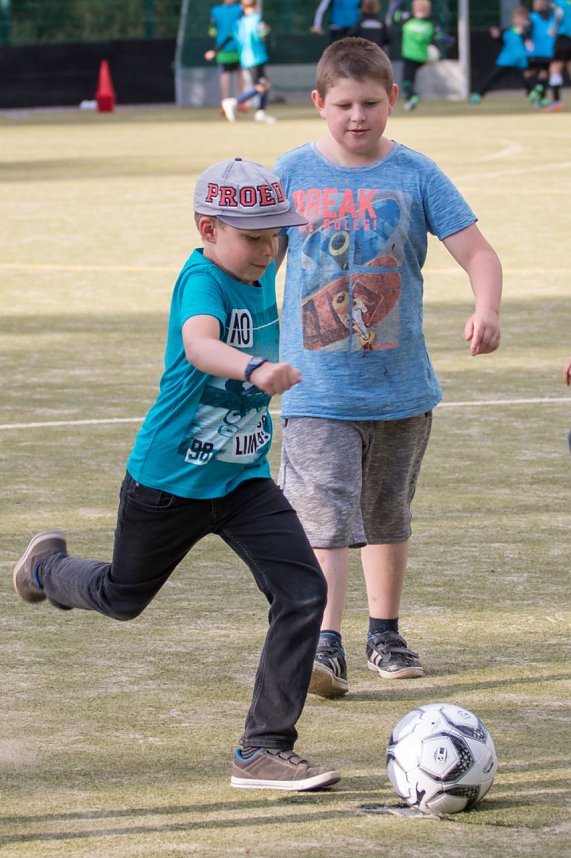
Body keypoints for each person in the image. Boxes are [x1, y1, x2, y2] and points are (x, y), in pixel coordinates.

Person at [12, 157, 341, 792]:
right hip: (169, 484)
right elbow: (199, 344)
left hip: (244, 481)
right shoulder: (202, 280)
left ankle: (263, 748)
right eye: (252, 237)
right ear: (207, 228)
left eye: (274, 235)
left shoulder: (258, 268)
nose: (267, 250)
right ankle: (46, 569)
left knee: (303, 592)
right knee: (122, 597)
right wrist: (251, 370)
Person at [274, 38, 502, 698]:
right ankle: (323, 642)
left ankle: (384, 631)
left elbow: (478, 253)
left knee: (386, 516)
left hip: (401, 390)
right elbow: (257, 266)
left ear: (392, 100)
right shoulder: (291, 174)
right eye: (342, 104)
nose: (356, 117)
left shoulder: (416, 175)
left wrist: (484, 308)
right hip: (313, 389)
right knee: (321, 520)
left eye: (370, 103)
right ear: (318, 104)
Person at [217, 0, 277, 124]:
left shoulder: (238, 23)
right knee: (261, 86)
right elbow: (262, 34)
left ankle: (261, 112)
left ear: (242, 7)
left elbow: (228, 38)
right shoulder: (257, 19)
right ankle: (234, 102)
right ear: (256, 6)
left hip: (245, 59)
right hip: (257, 57)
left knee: (263, 85)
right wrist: (266, 31)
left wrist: (215, 50)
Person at [469, 6, 532, 104]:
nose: (517, 20)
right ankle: (478, 95)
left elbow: (529, 42)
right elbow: (502, 42)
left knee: (527, 82)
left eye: (520, 18)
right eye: (515, 18)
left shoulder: (527, 32)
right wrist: (496, 37)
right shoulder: (508, 31)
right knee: (492, 78)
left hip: (520, 61)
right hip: (506, 60)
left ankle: (538, 99)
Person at [392, 0, 441, 110]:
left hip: (409, 55)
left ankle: (413, 97)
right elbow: (439, 38)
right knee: (411, 80)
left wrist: (398, 3)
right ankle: (410, 101)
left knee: (406, 82)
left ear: (414, 8)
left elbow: (394, 15)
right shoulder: (431, 24)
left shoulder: (407, 19)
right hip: (423, 57)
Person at [204, 0, 245, 113]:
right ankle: (240, 101)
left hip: (221, 47)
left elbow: (212, 31)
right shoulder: (239, 9)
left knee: (225, 74)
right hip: (237, 46)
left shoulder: (215, 10)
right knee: (239, 73)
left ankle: (225, 102)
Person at [525, 0, 556, 107]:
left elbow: (527, 30)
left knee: (529, 74)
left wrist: (527, 39)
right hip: (549, 51)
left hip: (535, 51)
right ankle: (543, 98)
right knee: (544, 74)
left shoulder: (532, 17)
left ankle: (534, 90)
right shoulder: (553, 16)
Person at [543, 0, 571, 111]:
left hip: (563, 38)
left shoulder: (559, 2)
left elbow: (559, 13)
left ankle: (556, 101)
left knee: (555, 67)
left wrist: (554, 27)